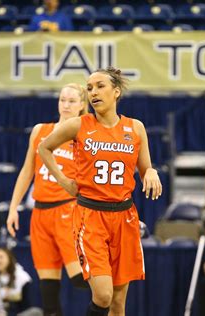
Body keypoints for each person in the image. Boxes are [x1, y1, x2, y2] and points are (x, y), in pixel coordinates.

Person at [38, 66, 162, 316]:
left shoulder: (135, 128)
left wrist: (152, 172)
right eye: (90, 88)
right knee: (103, 295)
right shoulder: (78, 125)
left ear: (116, 92)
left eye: (100, 86)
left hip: (125, 218)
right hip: (91, 216)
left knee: (118, 303)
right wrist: (64, 181)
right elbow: (44, 148)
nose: (93, 92)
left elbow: (146, 166)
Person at [6, 83, 89, 316]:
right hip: (40, 214)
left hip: (67, 210)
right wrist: (13, 208)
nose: (66, 105)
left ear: (83, 105)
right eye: (63, 100)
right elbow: (26, 171)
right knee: (48, 290)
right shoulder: (40, 130)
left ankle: (114, 294)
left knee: (80, 279)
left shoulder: (84, 134)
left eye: (72, 101)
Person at [0, 247, 34, 316]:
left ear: (10, 259)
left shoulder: (22, 278)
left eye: (1, 257)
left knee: (36, 311)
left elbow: (27, 307)